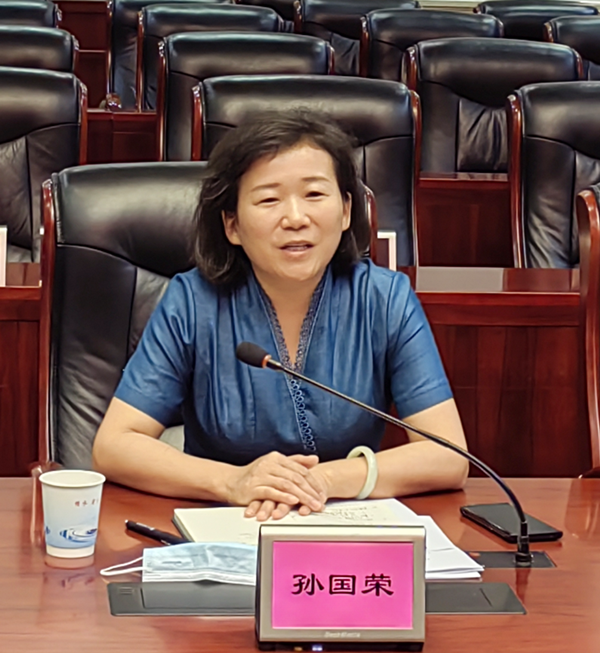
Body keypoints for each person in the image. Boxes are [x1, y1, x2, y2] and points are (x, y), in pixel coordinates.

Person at [92, 110, 468, 521]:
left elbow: (448, 456)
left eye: (314, 194)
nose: (295, 219)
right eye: (269, 199)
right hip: (223, 528)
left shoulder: (385, 299)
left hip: (341, 530)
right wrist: (233, 482)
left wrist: (322, 481)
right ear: (232, 225)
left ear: (346, 211)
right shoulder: (193, 301)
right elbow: (115, 445)